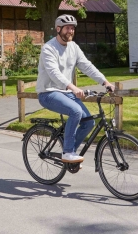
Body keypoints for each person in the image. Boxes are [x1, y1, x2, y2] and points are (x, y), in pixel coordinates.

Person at [36, 14, 115, 164]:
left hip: (66, 92)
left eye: (72, 28)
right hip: (48, 92)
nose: (71, 31)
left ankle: (70, 153)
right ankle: (68, 152)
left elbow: (87, 66)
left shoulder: (73, 47)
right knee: (76, 111)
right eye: (67, 28)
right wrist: (72, 87)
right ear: (58, 29)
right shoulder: (48, 48)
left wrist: (105, 82)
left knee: (89, 122)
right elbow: (54, 73)